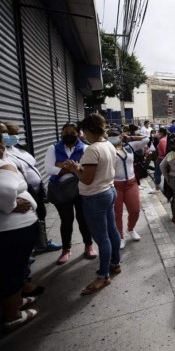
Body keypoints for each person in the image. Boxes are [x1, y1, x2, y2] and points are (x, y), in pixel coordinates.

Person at [64, 114, 121, 295]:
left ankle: (103, 276)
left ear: (88, 130)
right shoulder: (109, 145)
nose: (82, 136)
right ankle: (115, 263)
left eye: (83, 132)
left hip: (95, 196)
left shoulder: (92, 149)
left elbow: (87, 180)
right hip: (109, 191)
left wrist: (74, 170)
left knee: (102, 237)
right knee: (112, 230)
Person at [0, 133, 40, 332]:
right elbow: (6, 191)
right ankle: (12, 316)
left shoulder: (9, 157)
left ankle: (15, 302)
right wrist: (11, 205)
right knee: (10, 272)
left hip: (16, 230)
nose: (2, 146)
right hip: (10, 231)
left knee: (14, 270)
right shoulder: (4, 165)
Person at [2, 122, 61, 254]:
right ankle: (30, 249)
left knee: (41, 215)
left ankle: (42, 242)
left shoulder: (17, 148)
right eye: (11, 134)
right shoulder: (5, 153)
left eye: (16, 134)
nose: (13, 137)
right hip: (22, 193)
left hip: (36, 190)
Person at [44, 122, 96, 265]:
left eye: (72, 133)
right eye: (65, 133)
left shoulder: (85, 148)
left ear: (78, 134)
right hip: (61, 190)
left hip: (80, 189)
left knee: (83, 219)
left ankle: (88, 245)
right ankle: (66, 249)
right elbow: (48, 168)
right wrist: (74, 168)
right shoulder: (53, 148)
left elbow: (86, 169)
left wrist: (61, 165)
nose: (68, 135)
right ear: (61, 134)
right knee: (66, 220)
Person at [108, 127, 149, 249]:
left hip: (131, 183)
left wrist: (130, 137)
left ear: (121, 136)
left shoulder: (129, 146)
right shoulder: (107, 150)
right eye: (109, 135)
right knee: (117, 213)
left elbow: (146, 139)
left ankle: (130, 229)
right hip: (115, 185)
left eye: (115, 135)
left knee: (135, 210)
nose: (112, 137)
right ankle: (120, 236)